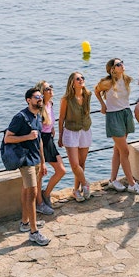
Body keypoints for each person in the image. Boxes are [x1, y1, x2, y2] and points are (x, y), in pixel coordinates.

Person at [94, 58, 139, 195]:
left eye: (122, 62)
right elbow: (96, 91)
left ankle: (113, 180)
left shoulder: (126, 79)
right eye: (118, 64)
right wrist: (103, 104)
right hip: (114, 116)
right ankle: (132, 184)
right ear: (112, 69)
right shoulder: (106, 83)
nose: (122, 65)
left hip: (126, 114)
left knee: (118, 150)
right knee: (125, 151)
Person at [3, 88, 50, 245]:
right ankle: (34, 231)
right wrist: (27, 137)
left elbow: (40, 141)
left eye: (41, 97)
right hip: (26, 161)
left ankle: (25, 223)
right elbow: (7, 139)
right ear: (28, 100)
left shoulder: (37, 116)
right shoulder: (20, 117)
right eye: (37, 97)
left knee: (27, 191)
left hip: (36, 159)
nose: (40, 99)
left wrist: (43, 162)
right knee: (32, 193)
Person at [57, 71, 93, 201]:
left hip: (85, 130)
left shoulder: (88, 95)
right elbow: (61, 119)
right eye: (78, 79)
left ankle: (76, 190)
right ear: (72, 83)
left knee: (82, 163)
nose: (81, 80)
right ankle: (86, 184)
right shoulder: (66, 99)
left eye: (82, 78)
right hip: (71, 132)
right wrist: (60, 136)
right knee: (74, 164)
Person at [34, 80, 66, 214]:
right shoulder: (39, 110)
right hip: (40, 141)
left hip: (49, 140)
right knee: (40, 173)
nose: (51, 89)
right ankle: (39, 203)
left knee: (61, 170)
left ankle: (46, 194)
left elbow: (50, 122)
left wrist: (52, 129)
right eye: (47, 88)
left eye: (51, 87)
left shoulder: (50, 104)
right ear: (42, 93)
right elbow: (38, 129)